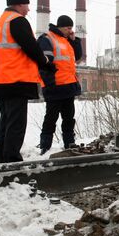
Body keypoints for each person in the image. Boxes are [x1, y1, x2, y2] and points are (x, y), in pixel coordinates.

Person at [0, 0, 53, 163]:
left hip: (2, 80)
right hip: (16, 80)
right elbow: (32, 47)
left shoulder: (0, 22)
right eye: (27, 5)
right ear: (19, 4)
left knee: (5, 122)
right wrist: (46, 63)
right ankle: (11, 160)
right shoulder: (17, 21)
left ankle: (1, 159)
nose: (28, 10)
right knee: (16, 124)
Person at [37, 15, 83, 154]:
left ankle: (69, 143)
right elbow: (44, 64)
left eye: (71, 28)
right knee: (51, 118)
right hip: (55, 87)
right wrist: (50, 85)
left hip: (68, 86)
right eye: (68, 28)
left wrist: (75, 41)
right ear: (60, 27)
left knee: (69, 118)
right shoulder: (47, 39)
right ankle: (45, 146)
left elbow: (78, 57)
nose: (70, 30)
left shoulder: (67, 40)